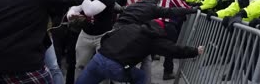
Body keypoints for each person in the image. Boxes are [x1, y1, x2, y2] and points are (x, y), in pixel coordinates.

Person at [75, 19, 203, 84]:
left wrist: (107, 51)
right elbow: (174, 50)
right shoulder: (154, 39)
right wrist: (195, 51)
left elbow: (107, 37)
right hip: (115, 66)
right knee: (141, 77)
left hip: (99, 58)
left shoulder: (132, 26)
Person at [69, 0, 116, 80]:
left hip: (103, 36)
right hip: (86, 34)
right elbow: (75, 6)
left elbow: (90, 11)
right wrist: (72, 14)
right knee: (80, 66)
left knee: (103, 67)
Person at [156, 0, 191, 80]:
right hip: (168, 24)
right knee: (170, 48)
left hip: (156, 22)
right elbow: (182, 6)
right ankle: (168, 72)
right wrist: (193, 9)